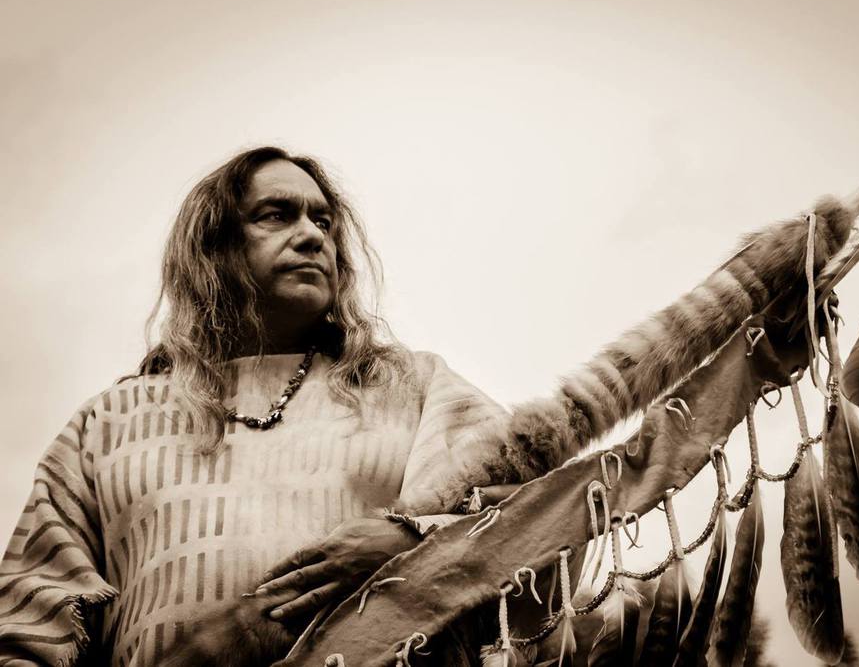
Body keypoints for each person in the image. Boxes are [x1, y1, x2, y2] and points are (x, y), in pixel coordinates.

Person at [0, 147, 512, 665]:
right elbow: (26, 620)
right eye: (276, 215)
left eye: (323, 221)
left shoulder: (411, 387)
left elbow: (528, 513)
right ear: (213, 247)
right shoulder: (109, 423)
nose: (313, 236)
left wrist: (410, 540)